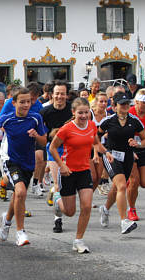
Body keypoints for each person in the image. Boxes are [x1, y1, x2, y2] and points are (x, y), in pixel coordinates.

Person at [0, 86, 47, 246]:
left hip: (28, 163)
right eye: (22, 102)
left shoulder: (35, 118)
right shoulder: (7, 118)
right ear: (14, 103)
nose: (26, 105)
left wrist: (36, 136)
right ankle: (20, 232)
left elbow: (44, 141)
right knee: (21, 192)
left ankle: (7, 220)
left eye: (28, 102)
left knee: (17, 195)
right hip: (10, 160)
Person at [49, 97, 106, 253]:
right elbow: (53, 148)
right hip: (68, 172)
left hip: (84, 171)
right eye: (80, 113)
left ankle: (78, 240)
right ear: (73, 113)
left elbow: (95, 142)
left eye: (86, 113)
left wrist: (105, 153)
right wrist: (62, 165)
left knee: (86, 206)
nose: (83, 116)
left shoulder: (92, 126)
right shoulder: (67, 129)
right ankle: (57, 199)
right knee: (70, 212)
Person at [98, 92, 145, 234]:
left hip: (127, 158)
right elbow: (95, 138)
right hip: (111, 157)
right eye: (122, 104)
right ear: (114, 106)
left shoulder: (134, 121)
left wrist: (137, 143)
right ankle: (124, 221)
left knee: (116, 188)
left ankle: (105, 209)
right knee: (121, 186)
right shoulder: (108, 121)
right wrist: (104, 151)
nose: (126, 106)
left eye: (127, 103)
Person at [125, 89, 145, 221]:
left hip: (144, 146)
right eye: (142, 102)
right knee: (134, 181)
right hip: (129, 147)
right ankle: (131, 208)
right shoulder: (129, 112)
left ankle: (130, 185)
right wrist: (129, 150)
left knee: (144, 183)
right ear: (136, 102)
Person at [41, 81, 72, 210]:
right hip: (53, 148)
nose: (60, 97)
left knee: (67, 183)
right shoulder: (45, 112)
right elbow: (41, 133)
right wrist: (50, 135)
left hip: (70, 149)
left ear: (66, 95)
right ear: (51, 95)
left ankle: (53, 191)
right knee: (59, 184)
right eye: (57, 93)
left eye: (62, 94)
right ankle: (57, 218)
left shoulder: (72, 110)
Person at [90, 92, 111, 196]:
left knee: (98, 177)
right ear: (96, 102)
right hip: (88, 147)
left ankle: (88, 197)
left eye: (105, 101)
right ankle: (85, 196)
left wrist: (107, 133)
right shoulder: (90, 114)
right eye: (101, 101)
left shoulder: (108, 116)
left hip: (101, 147)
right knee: (93, 176)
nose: (103, 103)